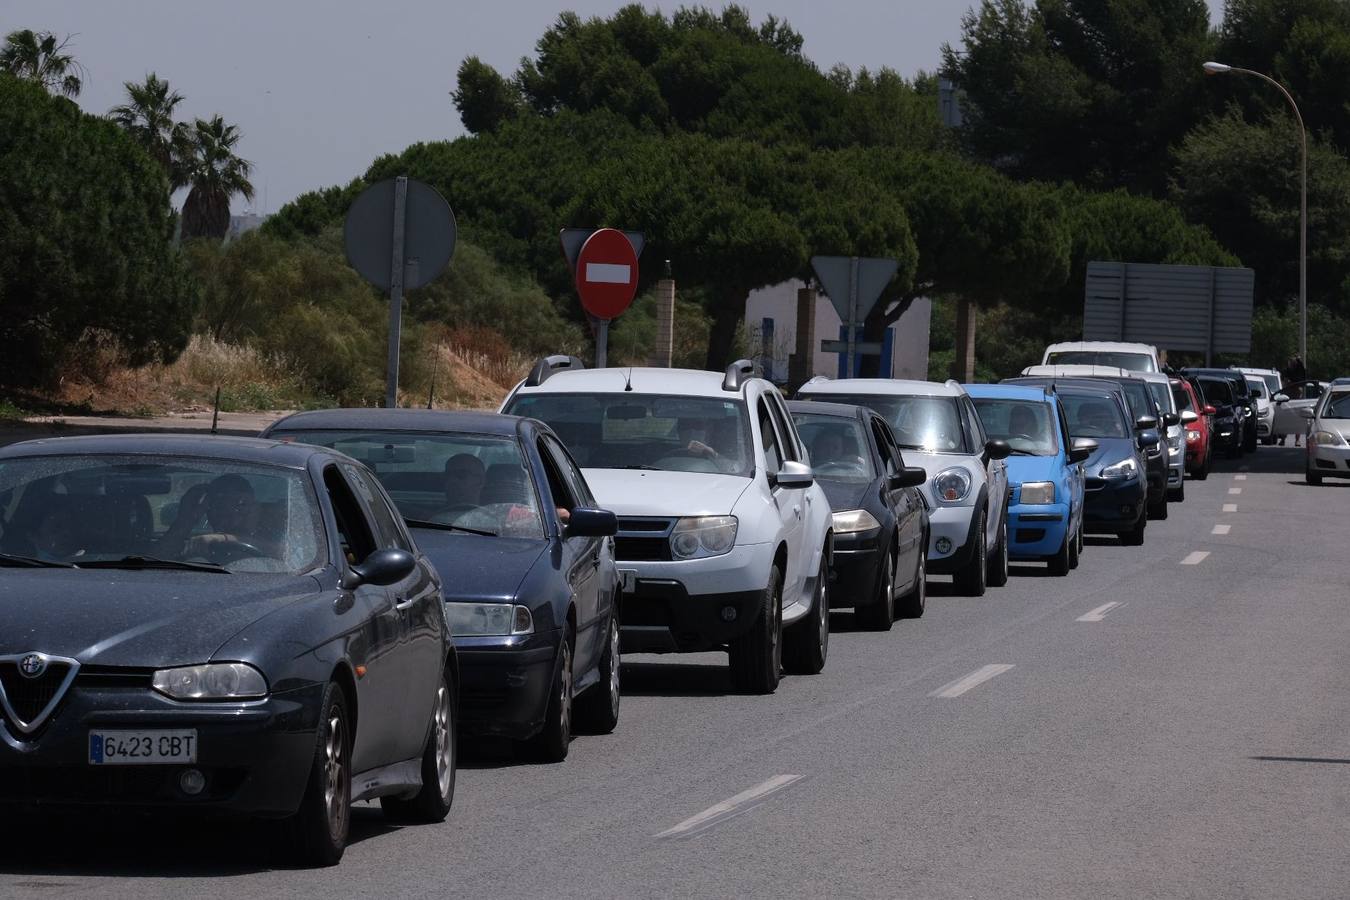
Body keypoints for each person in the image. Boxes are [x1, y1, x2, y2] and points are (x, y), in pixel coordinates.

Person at [164, 474, 280, 560]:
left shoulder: (281, 539)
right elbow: (155, 561)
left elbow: (285, 556)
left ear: (256, 509)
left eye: (241, 505)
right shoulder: (197, 547)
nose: (232, 515)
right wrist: (185, 522)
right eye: (220, 507)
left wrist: (225, 539)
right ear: (208, 512)